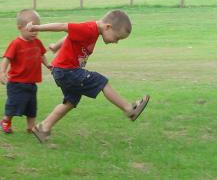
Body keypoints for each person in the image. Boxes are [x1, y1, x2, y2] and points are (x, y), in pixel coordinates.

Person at [26, 9, 150, 143]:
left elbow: (71, 36)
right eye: (117, 38)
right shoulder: (88, 28)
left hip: (64, 71)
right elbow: (63, 26)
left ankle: (43, 127)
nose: (116, 42)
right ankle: (129, 109)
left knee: (70, 102)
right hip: (66, 71)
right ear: (108, 27)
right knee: (101, 81)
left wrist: (56, 46)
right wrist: (36, 27)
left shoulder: (94, 31)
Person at [0, 9, 51, 134]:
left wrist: (48, 65)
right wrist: (2, 72)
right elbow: (6, 59)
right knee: (14, 104)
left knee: (31, 107)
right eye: (31, 29)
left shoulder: (37, 42)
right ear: (20, 27)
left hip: (31, 83)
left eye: (37, 29)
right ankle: (6, 121)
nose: (35, 33)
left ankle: (31, 126)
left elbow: (42, 55)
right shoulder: (16, 44)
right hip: (16, 83)